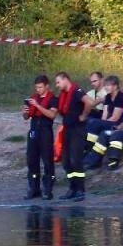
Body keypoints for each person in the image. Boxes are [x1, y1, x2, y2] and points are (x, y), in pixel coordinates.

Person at [23, 75, 59, 199]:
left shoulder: (53, 99)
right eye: (36, 87)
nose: (38, 89)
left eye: (40, 87)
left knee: (47, 160)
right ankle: (34, 188)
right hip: (33, 131)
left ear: (47, 86)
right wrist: (25, 111)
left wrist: (38, 106)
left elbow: (52, 115)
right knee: (32, 160)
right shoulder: (33, 98)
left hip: (45, 132)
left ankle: (48, 189)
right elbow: (26, 117)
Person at [54, 71, 88, 201]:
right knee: (66, 161)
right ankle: (72, 188)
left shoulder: (77, 91)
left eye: (58, 82)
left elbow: (89, 102)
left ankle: (80, 189)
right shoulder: (64, 95)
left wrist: (84, 116)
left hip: (77, 130)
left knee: (76, 160)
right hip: (67, 130)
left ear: (65, 79)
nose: (57, 85)